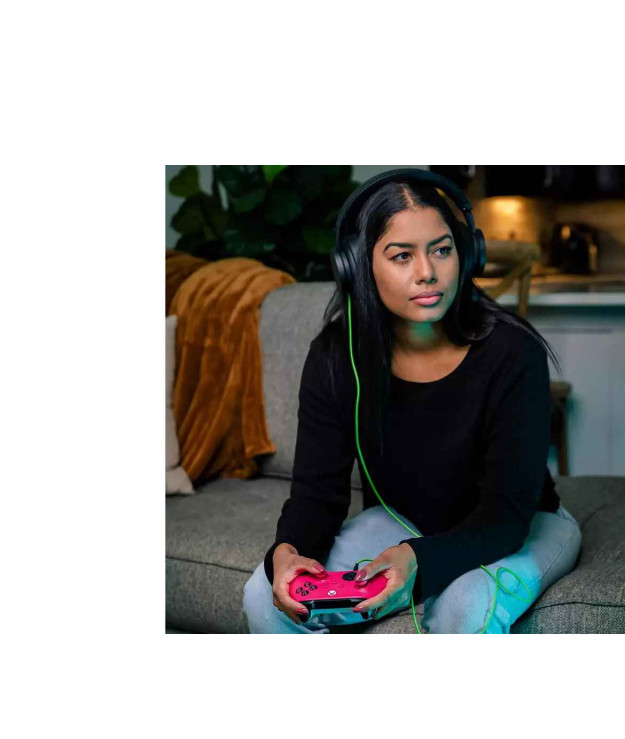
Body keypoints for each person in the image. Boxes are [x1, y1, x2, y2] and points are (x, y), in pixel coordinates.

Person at [243, 171, 583, 633]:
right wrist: (287, 553)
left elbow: (504, 517)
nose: (427, 272)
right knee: (264, 596)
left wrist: (418, 559)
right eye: (402, 255)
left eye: (441, 250)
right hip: (400, 523)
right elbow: (316, 498)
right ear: (358, 266)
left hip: (520, 526)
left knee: (465, 606)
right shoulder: (337, 355)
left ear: (466, 253)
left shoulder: (513, 352)